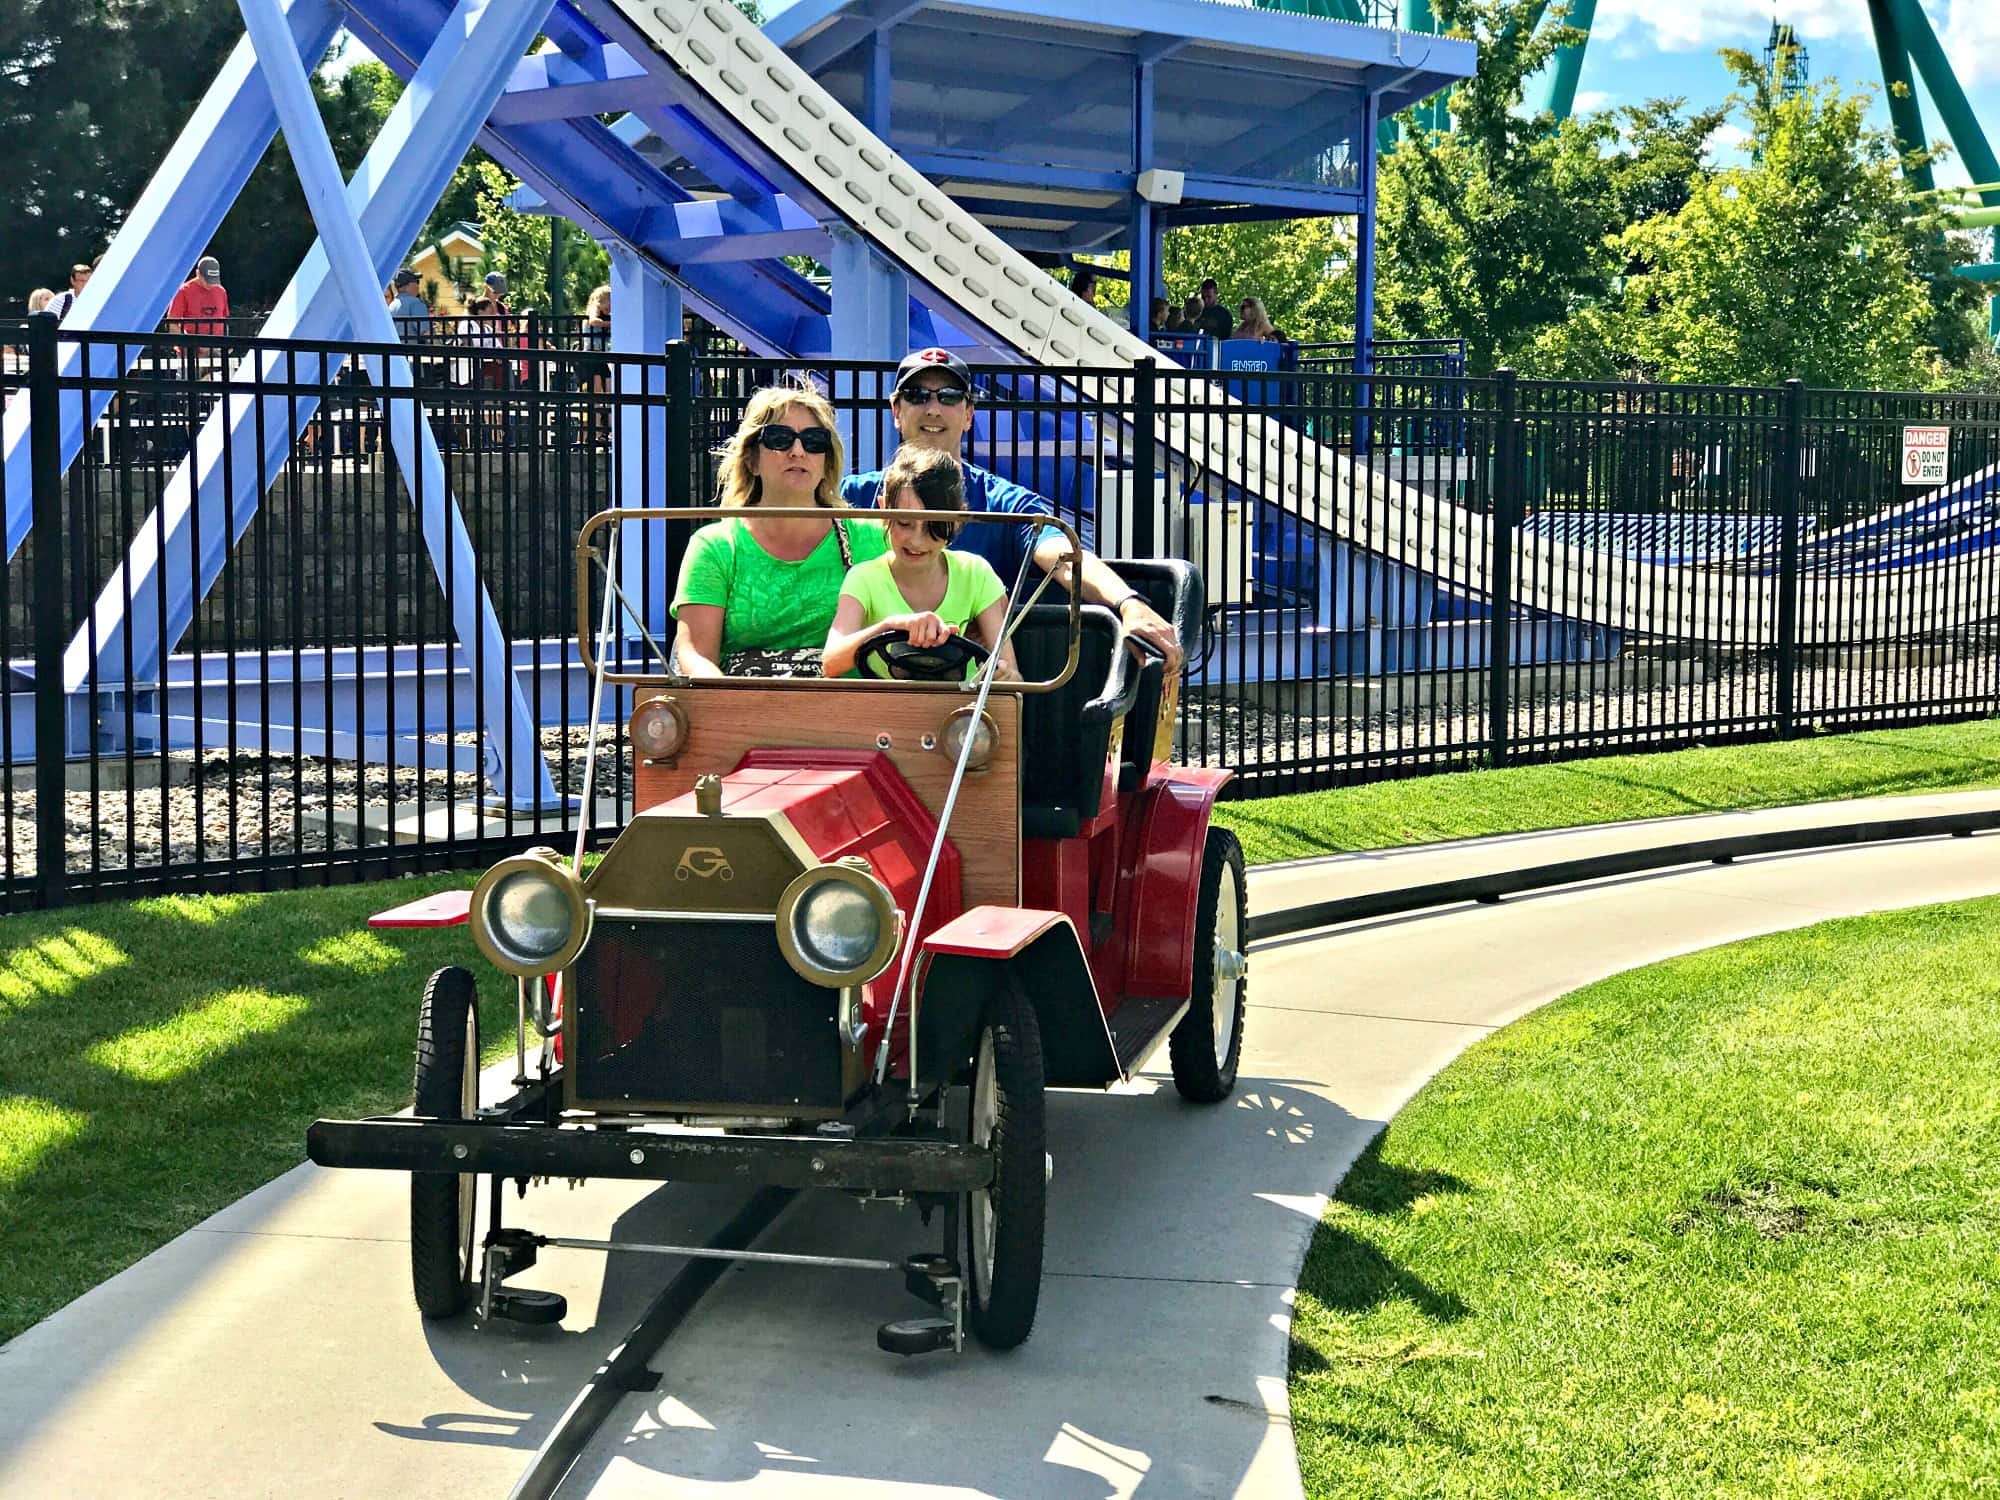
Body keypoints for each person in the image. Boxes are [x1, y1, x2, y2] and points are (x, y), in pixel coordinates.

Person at [841, 348, 1183, 665]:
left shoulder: (1002, 502)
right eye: (917, 396)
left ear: (969, 414)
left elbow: (1062, 556)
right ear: (896, 411)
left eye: (949, 396)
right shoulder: (853, 495)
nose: (933, 408)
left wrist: (1129, 603)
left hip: (970, 691)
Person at [672, 381, 887, 678]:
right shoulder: (714, 546)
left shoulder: (875, 538)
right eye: (779, 438)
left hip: (854, 716)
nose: (798, 450)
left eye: (813, 440)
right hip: (742, 713)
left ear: (827, 462)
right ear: (751, 460)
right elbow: (694, 654)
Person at [823, 447, 1019, 682]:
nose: (916, 540)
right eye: (904, 523)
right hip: (883, 713)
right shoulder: (863, 577)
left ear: (958, 520)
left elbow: (1013, 675)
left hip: (958, 714)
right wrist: (889, 626)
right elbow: (831, 661)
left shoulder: (975, 573)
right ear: (884, 510)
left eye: (933, 527)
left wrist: (1003, 675)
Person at [167, 256, 229, 337]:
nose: (210, 284)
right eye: (207, 280)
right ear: (198, 273)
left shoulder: (221, 291)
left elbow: (225, 320)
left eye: (213, 280)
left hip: (218, 346)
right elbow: (172, 324)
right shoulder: (183, 291)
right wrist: (194, 345)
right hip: (192, 347)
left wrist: (226, 343)